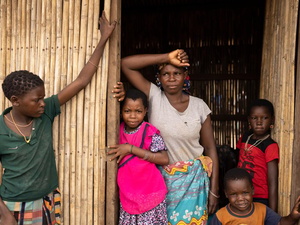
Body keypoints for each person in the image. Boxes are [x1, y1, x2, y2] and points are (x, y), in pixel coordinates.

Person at [0, 11, 124, 225]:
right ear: (15, 100)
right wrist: (3, 214)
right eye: (36, 100)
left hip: (47, 199)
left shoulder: (46, 111)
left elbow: (81, 81)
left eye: (43, 98)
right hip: (12, 206)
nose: (42, 103)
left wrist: (103, 39)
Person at [120, 49, 219, 224]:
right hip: (159, 184)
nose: (171, 78)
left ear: (185, 76)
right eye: (165, 74)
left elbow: (210, 148)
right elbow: (126, 64)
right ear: (159, 77)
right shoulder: (154, 98)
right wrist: (166, 57)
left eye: (177, 73)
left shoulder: (199, 106)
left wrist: (214, 190)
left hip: (193, 185)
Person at [107, 88, 169, 225]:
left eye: (138, 111)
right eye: (127, 111)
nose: (133, 116)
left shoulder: (149, 131)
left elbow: (164, 158)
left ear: (146, 111)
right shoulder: (115, 132)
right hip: (128, 196)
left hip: (151, 194)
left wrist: (131, 149)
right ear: (120, 111)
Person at [209, 168, 300, 225]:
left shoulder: (262, 210)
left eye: (245, 193)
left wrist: (292, 217)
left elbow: (280, 223)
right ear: (226, 194)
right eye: (234, 194)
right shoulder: (221, 216)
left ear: (252, 190)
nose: (240, 198)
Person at [236, 99, 279, 212]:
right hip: (241, 194)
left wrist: (273, 213)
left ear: (272, 120)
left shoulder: (270, 146)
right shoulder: (245, 137)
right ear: (249, 120)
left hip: (260, 197)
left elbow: (272, 181)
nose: (259, 122)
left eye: (264, 118)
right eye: (255, 118)